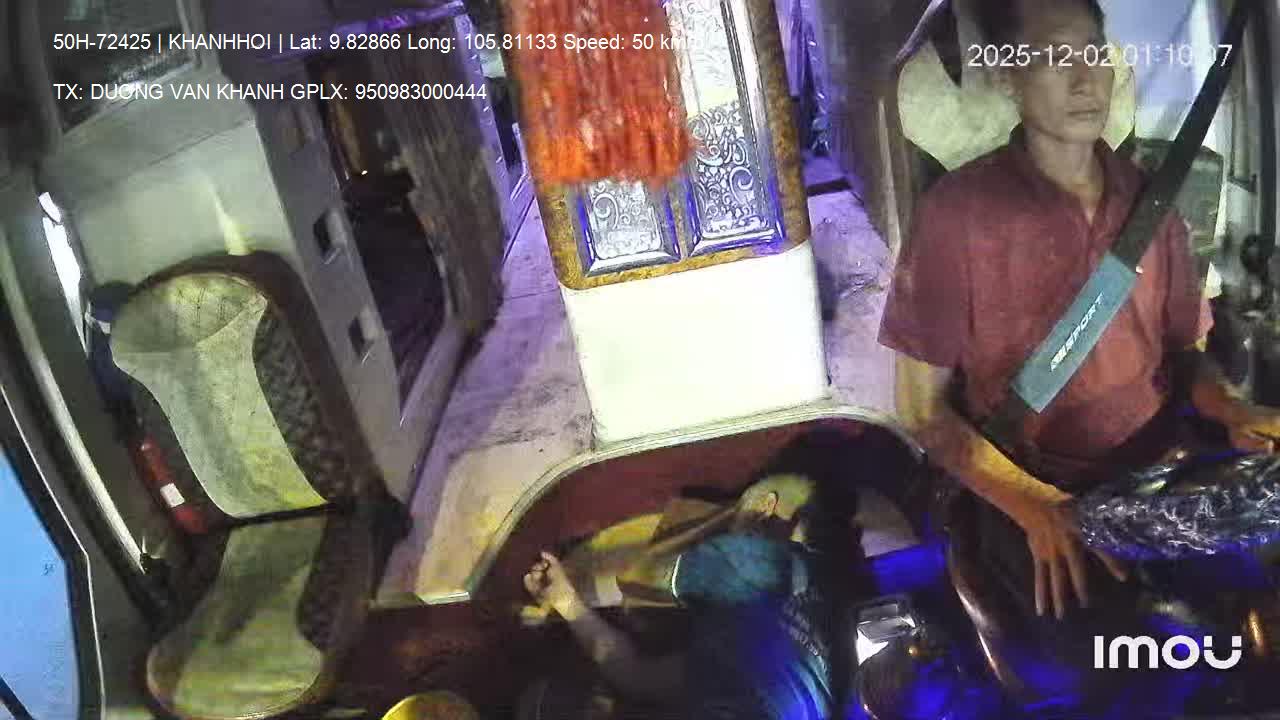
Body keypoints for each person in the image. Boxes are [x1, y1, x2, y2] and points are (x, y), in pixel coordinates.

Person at [879, 0, 1280, 685]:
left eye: (1093, 52)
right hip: (1032, 486)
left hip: (1158, 475)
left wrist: (1232, 409)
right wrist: (1035, 505)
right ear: (1008, 79)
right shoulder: (958, 215)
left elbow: (1187, 358)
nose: (1083, 77)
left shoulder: (1151, 203)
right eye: (1052, 56)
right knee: (1110, 668)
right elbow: (923, 412)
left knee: (1245, 637)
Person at [521, 474, 854, 720]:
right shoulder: (837, 609)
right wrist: (565, 601)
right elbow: (638, 676)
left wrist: (566, 582)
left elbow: (632, 577)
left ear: (765, 507)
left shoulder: (756, 558)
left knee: (543, 703)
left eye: (732, 516)